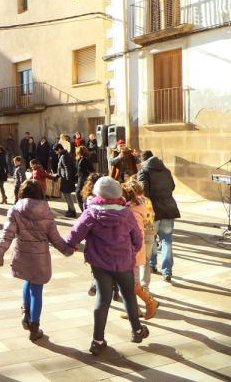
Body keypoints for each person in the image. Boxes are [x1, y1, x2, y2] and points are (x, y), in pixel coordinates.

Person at [65, 177, 149, 355]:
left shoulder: (90, 213)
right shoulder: (126, 214)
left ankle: (97, 340)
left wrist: (68, 246)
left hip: (100, 264)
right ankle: (137, 330)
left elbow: (74, 235)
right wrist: (131, 251)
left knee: (103, 299)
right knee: (128, 296)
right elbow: (138, 239)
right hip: (123, 262)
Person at [0, 180, 74, 340]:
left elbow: (6, 235)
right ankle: (34, 327)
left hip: (22, 254)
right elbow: (55, 238)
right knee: (37, 289)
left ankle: (26, 314)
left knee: (27, 280)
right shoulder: (46, 211)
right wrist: (67, 249)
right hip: (40, 257)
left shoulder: (15, 210)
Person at [137, 150, 180, 282]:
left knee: (151, 239)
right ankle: (167, 271)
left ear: (143, 160)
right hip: (168, 208)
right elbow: (172, 186)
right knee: (167, 240)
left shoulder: (144, 171)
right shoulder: (166, 170)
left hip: (153, 211)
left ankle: (152, 264)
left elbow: (143, 192)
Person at [121, 182, 159, 320]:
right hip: (145, 237)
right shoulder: (144, 202)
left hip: (135, 247)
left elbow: (134, 233)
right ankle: (135, 309)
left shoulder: (132, 209)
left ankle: (149, 301)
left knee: (132, 282)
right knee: (130, 281)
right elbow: (152, 216)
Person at [54, 144, 77, 218]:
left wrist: (68, 179)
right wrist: (57, 175)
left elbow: (67, 169)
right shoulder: (63, 155)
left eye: (56, 150)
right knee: (66, 195)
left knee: (67, 196)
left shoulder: (64, 156)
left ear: (59, 149)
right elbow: (61, 168)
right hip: (65, 178)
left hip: (66, 180)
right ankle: (70, 209)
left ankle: (72, 211)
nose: (55, 152)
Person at [75, 146, 95, 211]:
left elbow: (92, 170)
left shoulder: (85, 160)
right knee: (79, 195)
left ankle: (85, 211)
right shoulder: (79, 159)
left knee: (80, 194)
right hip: (80, 179)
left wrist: (88, 177)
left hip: (84, 179)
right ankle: (84, 210)